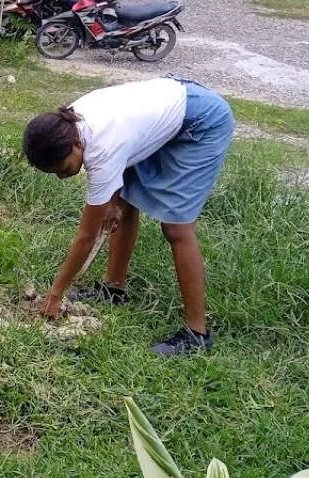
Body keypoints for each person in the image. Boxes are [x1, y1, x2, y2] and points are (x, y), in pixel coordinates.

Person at [21, 77, 235, 356]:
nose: (62, 177)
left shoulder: (101, 147)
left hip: (202, 121)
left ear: (76, 145)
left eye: (63, 168)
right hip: (162, 107)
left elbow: (86, 237)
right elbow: (121, 150)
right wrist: (111, 201)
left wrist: (55, 295)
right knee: (124, 199)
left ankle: (197, 333)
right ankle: (114, 289)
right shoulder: (65, 125)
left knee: (177, 228)